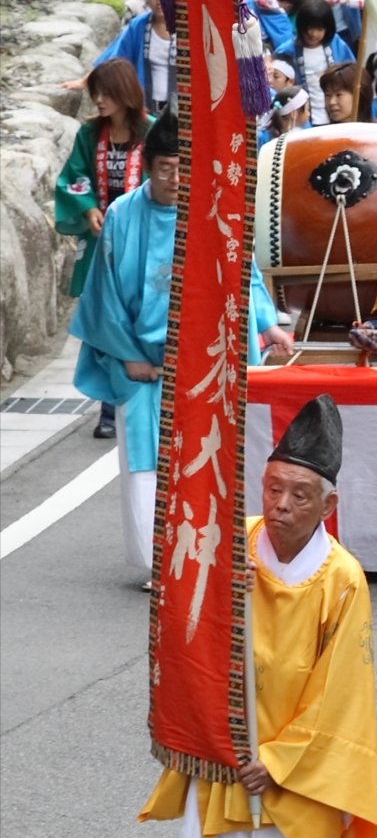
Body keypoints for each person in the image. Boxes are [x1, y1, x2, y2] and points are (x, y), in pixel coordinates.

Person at [141, 395, 377, 838]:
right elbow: (179, 629)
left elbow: (342, 696)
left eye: (300, 495)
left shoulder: (341, 581)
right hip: (221, 761)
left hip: (290, 781)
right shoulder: (230, 546)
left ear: (328, 508)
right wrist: (215, 596)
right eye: (273, 488)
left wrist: (276, 763)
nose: (279, 505)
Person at [70, 113, 292, 583]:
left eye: (181, 167)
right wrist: (127, 355)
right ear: (148, 165)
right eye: (164, 167)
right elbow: (104, 293)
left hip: (204, 360)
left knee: (208, 459)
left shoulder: (211, 210)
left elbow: (241, 273)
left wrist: (267, 322)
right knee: (147, 465)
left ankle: (212, 555)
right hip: (141, 363)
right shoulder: (121, 215)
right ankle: (161, 563)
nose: (174, 178)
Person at [54, 59, 153, 437]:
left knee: (137, 316)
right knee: (103, 317)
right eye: (95, 92)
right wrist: (89, 208)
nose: (98, 100)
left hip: (143, 242)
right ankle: (108, 405)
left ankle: (133, 398)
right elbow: (73, 177)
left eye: (106, 92)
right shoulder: (89, 134)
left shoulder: (152, 132)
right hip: (102, 242)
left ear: (125, 93)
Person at [276, 0, 355, 124]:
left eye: (319, 29)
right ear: (301, 26)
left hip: (338, 117)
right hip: (303, 120)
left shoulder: (337, 44)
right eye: (309, 28)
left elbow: (353, 77)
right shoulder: (286, 52)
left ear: (327, 29)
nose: (313, 34)